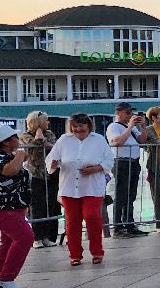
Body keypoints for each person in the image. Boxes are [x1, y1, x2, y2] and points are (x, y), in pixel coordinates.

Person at [48, 112, 115, 266]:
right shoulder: (64, 140)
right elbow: (51, 158)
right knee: (72, 222)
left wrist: (95, 168)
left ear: (88, 126)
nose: (78, 129)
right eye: (75, 126)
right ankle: (75, 254)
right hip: (69, 188)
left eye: (81, 126)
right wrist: (53, 163)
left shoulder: (98, 140)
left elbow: (109, 161)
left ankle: (97, 251)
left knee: (92, 217)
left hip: (92, 187)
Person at [0, 123, 34, 288]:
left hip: (11, 207)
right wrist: (20, 155)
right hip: (2, 208)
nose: (18, 140)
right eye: (15, 137)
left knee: (9, 241)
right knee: (25, 237)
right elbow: (9, 171)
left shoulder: (3, 156)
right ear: (6, 142)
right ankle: (6, 278)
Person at [106, 102, 149, 237]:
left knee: (131, 195)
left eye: (131, 113)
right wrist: (130, 126)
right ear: (118, 112)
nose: (130, 115)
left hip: (134, 162)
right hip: (122, 162)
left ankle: (129, 224)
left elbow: (142, 140)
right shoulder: (114, 126)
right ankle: (118, 227)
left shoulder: (132, 128)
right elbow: (117, 142)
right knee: (121, 195)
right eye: (127, 113)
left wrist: (143, 126)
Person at [21, 111, 60, 248]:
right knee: (38, 207)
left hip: (50, 173)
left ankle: (47, 236)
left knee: (50, 205)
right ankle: (36, 237)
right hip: (36, 174)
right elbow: (36, 145)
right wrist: (39, 137)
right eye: (45, 120)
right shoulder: (26, 136)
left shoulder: (49, 134)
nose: (48, 122)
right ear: (37, 123)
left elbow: (55, 147)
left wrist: (43, 142)